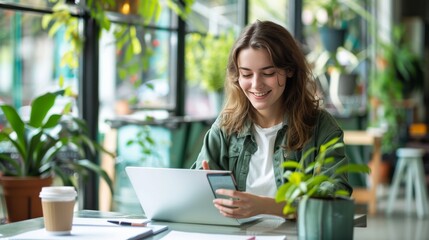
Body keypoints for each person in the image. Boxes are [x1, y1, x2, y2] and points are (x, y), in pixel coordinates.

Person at [192, 20, 352, 219]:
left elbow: (334, 197)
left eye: (268, 73)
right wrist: (200, 187)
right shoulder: (226, 126)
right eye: (246, 74)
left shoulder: (321, 127)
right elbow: (194, 193)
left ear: (290, 70)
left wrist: (267, 206)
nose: (256, 84)